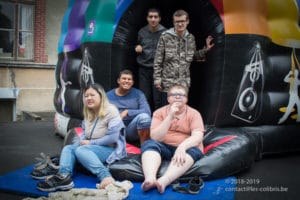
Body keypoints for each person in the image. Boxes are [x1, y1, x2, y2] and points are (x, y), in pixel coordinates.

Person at [36, 83, 126, 192]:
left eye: (92, 95)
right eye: (86, 96)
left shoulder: (111, 110)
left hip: (110, 149)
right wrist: (83, 142)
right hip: (91, 148)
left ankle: (106, 176)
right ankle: (63, 176)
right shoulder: (88, 112)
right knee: (69, 148)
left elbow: (113, 137)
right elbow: (84, 132)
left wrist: (91, 143)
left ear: (101, 96)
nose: (89, 98)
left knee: (81, 150)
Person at [141, 84, 205, 194]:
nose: (178, 97)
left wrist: (182, 147)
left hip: (187, 147)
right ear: (168, 98)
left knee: (194, 150)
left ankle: (164, 180)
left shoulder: (194, 114)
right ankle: (150, 179)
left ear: (186, 99)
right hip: (164, 146)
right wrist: (170, 116)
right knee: (149, 144)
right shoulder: (159, 113)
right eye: (174, 94)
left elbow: (198, 136)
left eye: (181, 95)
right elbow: (156, 137)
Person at [153, 9, 214, 105]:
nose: (180, 24)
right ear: (173, 22)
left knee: (181, 111)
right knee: (167, 111)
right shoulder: (165, 37)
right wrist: (157, 79)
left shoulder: (191, 38)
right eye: (177, 22)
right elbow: (158, 59)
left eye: (182, 21)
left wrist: (205, 50)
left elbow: (192, 56)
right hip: (168, 82)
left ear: (187, 21)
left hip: (183, 83)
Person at [107, 69, 152, 146]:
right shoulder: (108, 96)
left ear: (132, 82)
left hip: (133, 129)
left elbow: (147, 111)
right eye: (124, 79)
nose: (127, 81)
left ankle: (145, 147)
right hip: (116, 129)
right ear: (118, 81)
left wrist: (128, 112)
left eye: (129, 79)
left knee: (145, 117)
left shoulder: (138, 94)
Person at [135, 8, 166, 111]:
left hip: (158, 70)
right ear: (147, 18)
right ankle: (145, 120)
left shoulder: (165, 33)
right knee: (145, 97)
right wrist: (137, 47)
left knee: (158, 99)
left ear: (159, 19)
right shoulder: (142, 32)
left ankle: (158, 121)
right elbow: (137, 44)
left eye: (155, 17)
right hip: (144, 69)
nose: (153, 19)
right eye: (150, 17)